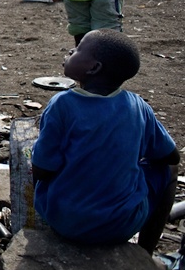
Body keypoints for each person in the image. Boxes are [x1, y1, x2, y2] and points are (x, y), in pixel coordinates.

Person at [31, 29, 179, 253]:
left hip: (64, 220)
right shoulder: (137, 106)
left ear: (93, 68)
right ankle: (145, 251)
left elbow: (41, 170)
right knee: (171, 171)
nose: (71, 50)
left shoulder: (61, 105)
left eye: (78, 50)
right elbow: (171, 156)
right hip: (122, 225)